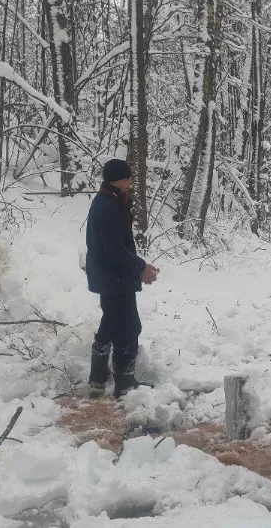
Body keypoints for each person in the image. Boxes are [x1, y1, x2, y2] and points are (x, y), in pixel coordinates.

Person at [84, 158, 159, 399]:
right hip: (114, 277)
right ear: (118, 180)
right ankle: (125, 384)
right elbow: (114, 249)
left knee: (111, 322)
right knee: (128, 327)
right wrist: (141, 267)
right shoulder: (108, 206)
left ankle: (97, 378)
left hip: (110, 276)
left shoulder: (109, 201)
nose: (132, 181)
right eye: (129, 177)